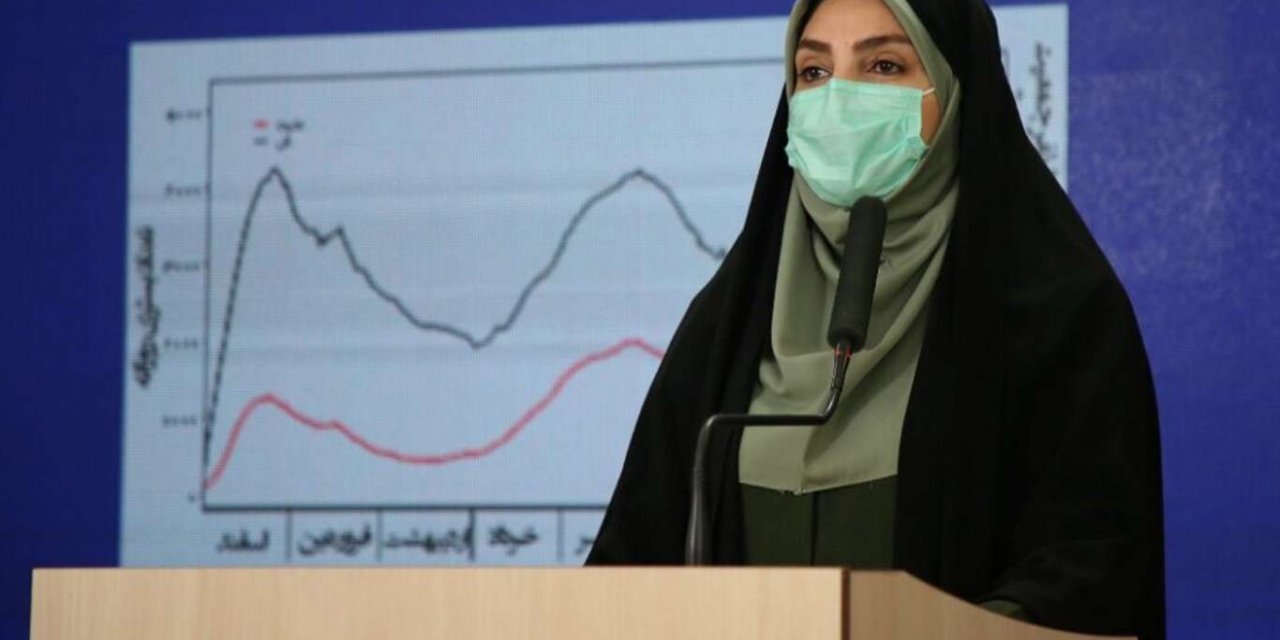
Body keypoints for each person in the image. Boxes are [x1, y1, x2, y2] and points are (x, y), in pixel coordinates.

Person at [586, 0, 1166, 638]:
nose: (839, 101)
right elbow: (627, 570)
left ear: (956, 89)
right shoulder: (728, 321)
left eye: (884, 65)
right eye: (813, 72)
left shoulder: (1057, 312)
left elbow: (1093, 571)